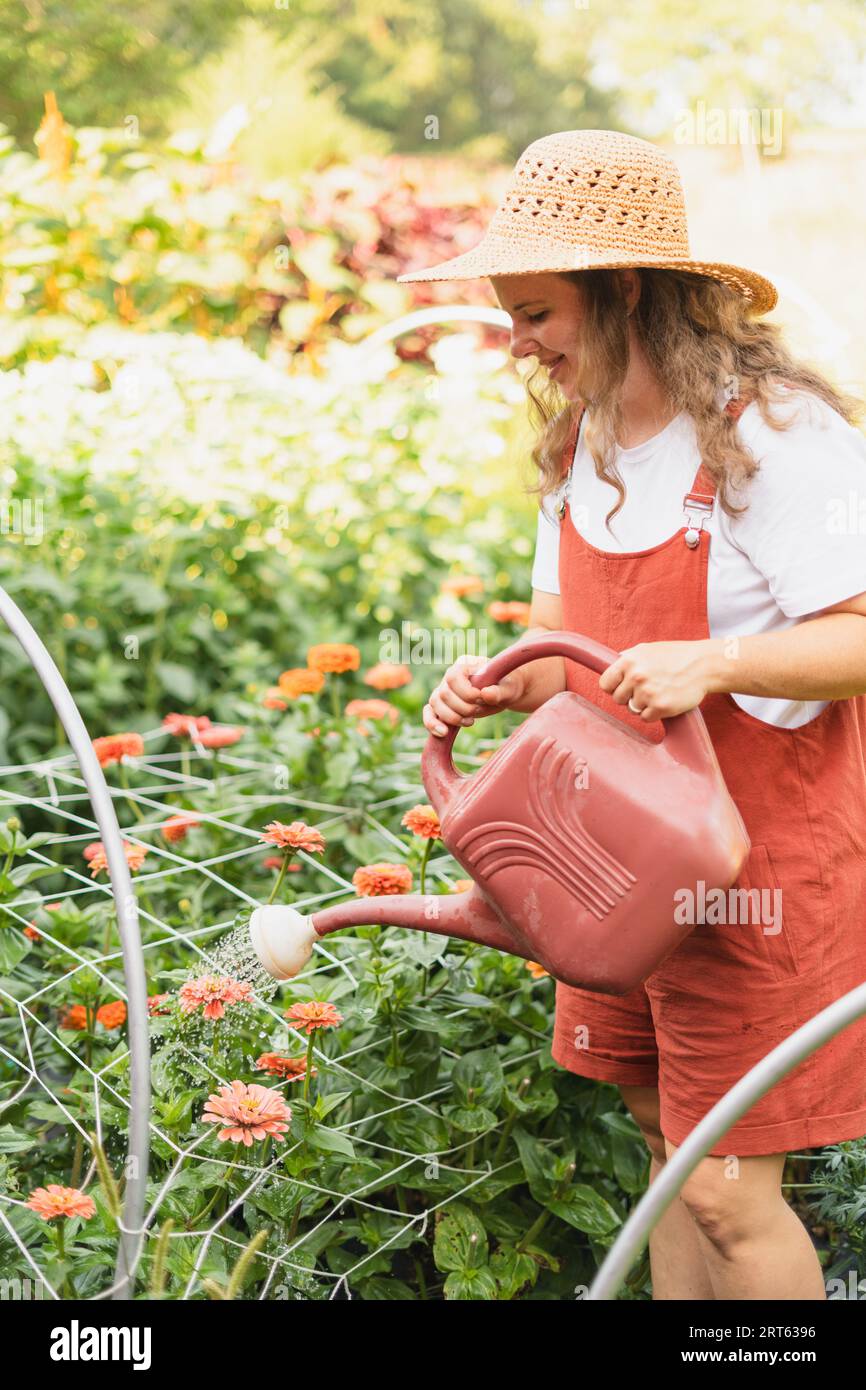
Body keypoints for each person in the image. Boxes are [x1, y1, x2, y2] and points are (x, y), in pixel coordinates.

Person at [397, 129, 866, 1300]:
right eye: (510, 315)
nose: (519, 344)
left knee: (722, 1188)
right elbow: (565, 660)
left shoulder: (772, 436)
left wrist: (712, 663)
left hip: (752, 865)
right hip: (615, 862)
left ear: (624, 298)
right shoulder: (583, 446)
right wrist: (494, 680)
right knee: (663, 1154)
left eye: (538, 314)